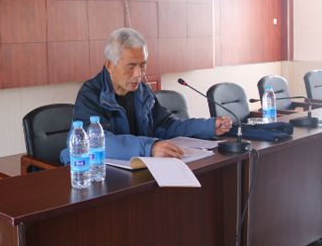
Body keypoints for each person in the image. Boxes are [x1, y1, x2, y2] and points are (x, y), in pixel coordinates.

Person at [61, 27, 232, 163]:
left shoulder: (142, 91)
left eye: (142, 65)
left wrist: (208, 126)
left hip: (140, 168)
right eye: (131, 66)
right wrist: (150, 147)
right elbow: (94, 141)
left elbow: (166, 126)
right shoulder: (91, 94)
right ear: (110, 65)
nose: (139, 74)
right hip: (98, 174)